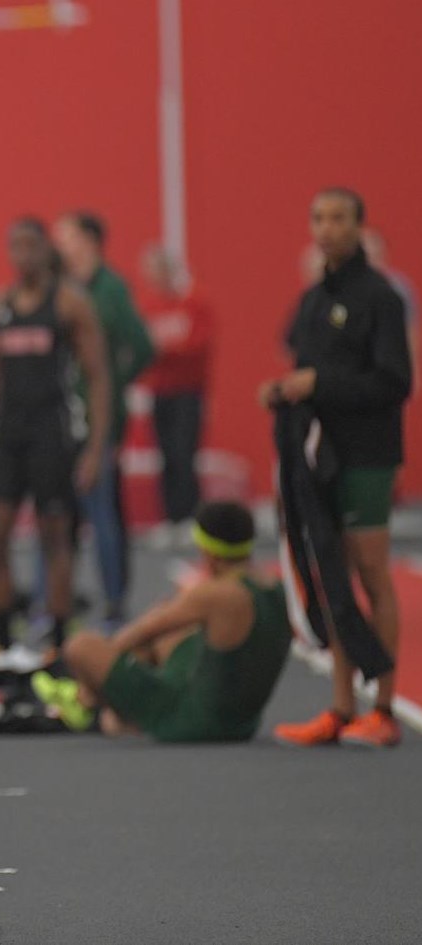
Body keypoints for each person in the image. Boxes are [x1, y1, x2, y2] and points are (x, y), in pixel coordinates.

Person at [264, 187, 411, 748]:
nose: (327, 228)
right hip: (320, 454)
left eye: (339, 219)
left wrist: (320, 384)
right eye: (318, 218)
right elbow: (306, 367)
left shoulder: (381, 297)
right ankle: (342, 706)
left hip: (369, 454)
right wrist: (284, 391)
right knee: (333, 577)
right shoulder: (311, 301)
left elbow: (396, 381)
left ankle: (385, 706)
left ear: (359, 227)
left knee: (372, 573)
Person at [0, 218, 109, 660]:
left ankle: (58, 643)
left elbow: (99, 377)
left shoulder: (69, 305)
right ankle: (2, 644)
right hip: (10, 433)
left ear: (46, 251)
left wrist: (95, 449)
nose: (23, 256)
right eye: (15, 247)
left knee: (55, 537)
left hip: (53, 431)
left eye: (31, 246)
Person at [35, 501, 291, 742]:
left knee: (80, 646)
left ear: (208, 552)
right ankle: (112, 708)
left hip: (193, 724)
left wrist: (91, 678)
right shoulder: (276, 587)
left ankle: (96, 708)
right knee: (173, 637)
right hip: (243, 724)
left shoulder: (215, 593)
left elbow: (136, 634)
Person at [53, 211, 154, 628]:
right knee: (61, 512)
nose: (59, 244)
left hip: (101, 416)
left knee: (102, 508)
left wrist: (112, 381)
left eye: (67, 236)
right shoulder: (60, 287)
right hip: (63, 416)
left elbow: (143, 345)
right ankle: (61, 599)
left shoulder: (111, 290)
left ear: (89, 241)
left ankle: (114, 598)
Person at [138, 245, 215, 548]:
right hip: (160, 391)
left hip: (189, 392)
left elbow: (197, 345)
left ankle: (192, 517)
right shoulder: (149, 306)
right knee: (166, 456)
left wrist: (165, 349)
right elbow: (143, 347)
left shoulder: (195, 302)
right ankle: (171, 518)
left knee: (185, 454)